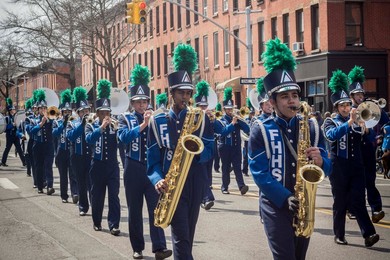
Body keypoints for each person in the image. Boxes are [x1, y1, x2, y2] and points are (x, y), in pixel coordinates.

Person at [248, 38, 331, 260]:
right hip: (275, 205)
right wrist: (284, 197)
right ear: (273, 102)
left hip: (304, 202)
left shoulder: (311, 125)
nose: (292, 101)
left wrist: (321, 161)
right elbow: (259, 173)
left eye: (294, 95)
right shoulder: (260, 130)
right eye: (285, 97)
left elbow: (328, 165)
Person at [147, 44, 213, 259]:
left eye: (188, 93)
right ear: (171, 93)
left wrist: (195, 153)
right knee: (181, 237)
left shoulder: (200, 118)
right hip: (171, 182)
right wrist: (157, 179)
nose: (185, 97)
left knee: (188, 235)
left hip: (194, 180)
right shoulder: (157, 121)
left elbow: (210, 149)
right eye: (181, 93)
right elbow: (152, 160)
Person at [118, 64, 172, 259]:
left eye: (144, 102)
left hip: (151, 170)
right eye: (138, 102)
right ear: (132, 103)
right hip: (132, 167)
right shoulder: (125, 118)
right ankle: (137, 247)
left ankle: (159, 247)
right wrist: (142, 125)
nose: (141, 106)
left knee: (156, 208)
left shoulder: (157, 117)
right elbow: (123, 138)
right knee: (134, 210)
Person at [322, 69, 379, 247]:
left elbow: (370, 141)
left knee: (358, 200)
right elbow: (331, 136)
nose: (347, 108)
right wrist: (349, 123)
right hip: (338, 166)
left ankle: (369, 234)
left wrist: (367, 128)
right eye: (342, 106)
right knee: (340, 202)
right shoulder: (331, 121)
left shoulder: (357, 121)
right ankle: (339, 234)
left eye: (348, 104)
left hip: (356, 166)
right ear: (337, 108)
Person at [348, 65, 388, 223]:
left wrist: (378, 110)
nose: (360, 97)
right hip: (354, 150)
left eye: (361, 94)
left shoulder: (369, 106)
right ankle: (352, 208)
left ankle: (376, 208)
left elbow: (385, 121)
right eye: (357, 94)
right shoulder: (348, 110)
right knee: (356, 183)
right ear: (351, 96)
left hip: (368, 149)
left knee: (370, 180)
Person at [85, 79, 121, 236]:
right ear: (97, 113)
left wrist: (118, 130)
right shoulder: (91, 124)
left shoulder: (115, 125)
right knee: (97, 195)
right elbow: (89, 140)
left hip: (112, 166)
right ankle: (97, 221)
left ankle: (114, 224)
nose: (106, 115)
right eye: (103, 112)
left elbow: (122, 142)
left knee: (114, 196)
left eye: (108, 112)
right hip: (97, 165)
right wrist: (101, 127)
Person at [215, 87, 250, 195]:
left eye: (232, 109)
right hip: (225, 147)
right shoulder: (220, 121)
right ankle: (224, 187)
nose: (230, 111)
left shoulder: (237, 119)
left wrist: (240, 119)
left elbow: (247, 129)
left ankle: (241, 186)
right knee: (225, 168)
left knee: (237, 167)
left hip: (236, 147)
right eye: (228, 109)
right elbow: (223, 132)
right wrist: (233, 123)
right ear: (224, 109)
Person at [66, 87, 92, 215]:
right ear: (78, 112)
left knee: (92, 182)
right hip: (77, 156)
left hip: (90, 156)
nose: (86, 113)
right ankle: (83, 207)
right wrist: (82, 125)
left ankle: (95, 205)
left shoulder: (93, 122)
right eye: (83, 111)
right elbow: (70, 136)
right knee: (81, 183)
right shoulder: (72, 122)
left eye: (87, 110)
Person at [193, 80, 216, 210]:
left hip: (209, 152)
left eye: (205, 106)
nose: (203, 108)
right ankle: (207, 198)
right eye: (201, 106)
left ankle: (202, 198)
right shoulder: (193, 116)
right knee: (202, 176)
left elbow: (222, 131)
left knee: (205, 176)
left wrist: (213, 120)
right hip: (198, 151)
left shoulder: (210, 117)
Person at [53, 90, 78, 204]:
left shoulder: (74, 122)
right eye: (65, 111)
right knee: (63, 176)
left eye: (69, 111)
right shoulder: (57, 122)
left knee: (73, 174)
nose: (67, 113)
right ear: (62, 112)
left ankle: (75, 193)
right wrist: (63, 124)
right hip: (61, 151)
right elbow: (55, 134)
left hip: (71, 151)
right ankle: (64, 195)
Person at [29, 90, 55, 195]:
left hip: (48, 146)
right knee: (39, 166)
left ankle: (50, 186)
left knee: (48, 165)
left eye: (45, 108)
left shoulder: (51, 119)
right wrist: (41, 123)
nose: (43, 110)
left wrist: (48, 119)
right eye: (41, 109)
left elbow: (55, 126)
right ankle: (40, 186)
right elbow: (31, 131)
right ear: (38, 110)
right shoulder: (33, 120)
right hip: (38, 146)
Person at [1, 98, 26, 167]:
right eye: (12, 109)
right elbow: (5, 128)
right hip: (9, 135)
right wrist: (12, 125)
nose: (14, 110)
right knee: (7, 149)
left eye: (14, 109)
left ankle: (24, 162)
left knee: (19, 149)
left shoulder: (16, 117)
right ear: (10, 111)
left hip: (16, 135)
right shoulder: (7, 118)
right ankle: (3, 162)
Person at [242, 98, 255, 177]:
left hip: (252, 140)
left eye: (253, 113)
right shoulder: (246, 120)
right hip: (247, 140)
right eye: (251, 113)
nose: (252, 115)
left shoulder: (254, 119)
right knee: (245, 156)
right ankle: (244, 170)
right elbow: (246, 130)